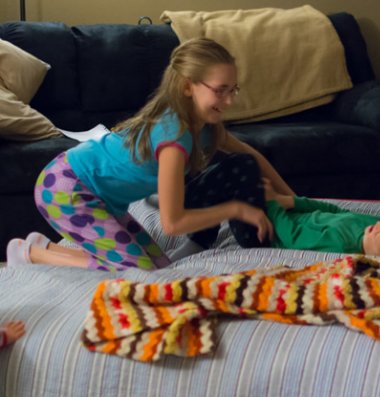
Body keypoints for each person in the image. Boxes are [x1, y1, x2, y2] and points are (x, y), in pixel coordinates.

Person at [6, 38, 293, 271]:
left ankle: (45, 248)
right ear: (187, 87)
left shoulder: (206, 126)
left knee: (160, 266)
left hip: (103, 199)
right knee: (138, 273)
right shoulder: (174, 135)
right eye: (220, 91)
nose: (229, 101)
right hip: (66, 188)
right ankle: (32, 252)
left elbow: (253, 156)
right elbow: (173, 223)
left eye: (233, 90)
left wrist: (293, 199)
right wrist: (237, 209)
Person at [263, 181, 380, 255]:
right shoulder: (370, 224)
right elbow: (333, 210)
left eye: (379, 233)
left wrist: (272, 205)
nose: (379, 224)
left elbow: (293, 236)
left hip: (269, 226)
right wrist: (291, 201)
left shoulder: (341, 245)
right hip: (286, 208)